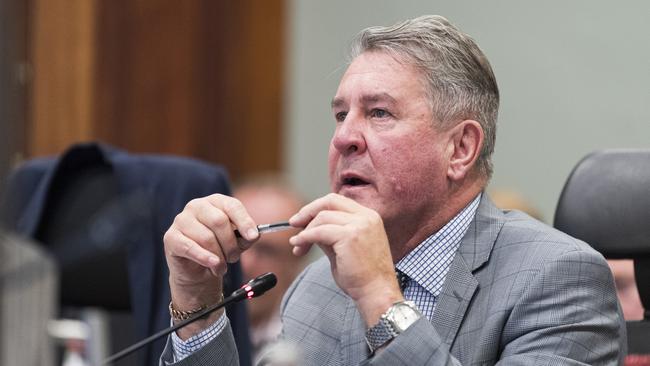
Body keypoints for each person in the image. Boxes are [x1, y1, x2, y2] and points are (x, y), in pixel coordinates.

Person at [160, 15, 626, 365]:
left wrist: (381, 299)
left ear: (460, 148)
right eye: (341, 115)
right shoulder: (317, 287)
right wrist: (198, 308)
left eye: (379, 113)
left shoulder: (557, 276)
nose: (345, 137)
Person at [233, 177, 309, 362]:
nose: (245, 264)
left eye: (266, 251)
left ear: (297, 260)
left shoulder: (312, 344)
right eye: (237, 243)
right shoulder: (188, 329)